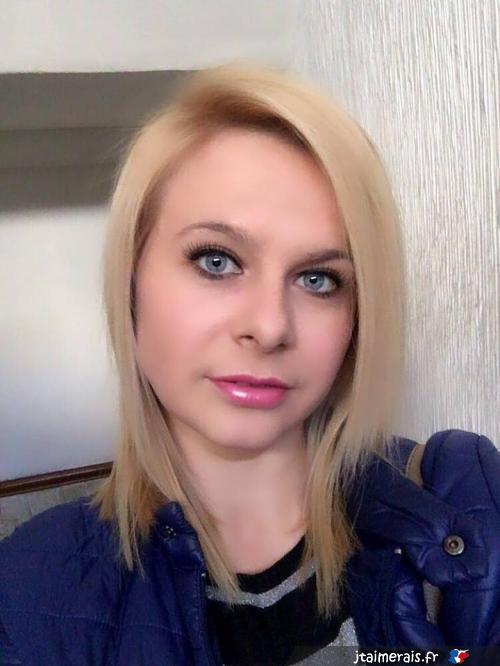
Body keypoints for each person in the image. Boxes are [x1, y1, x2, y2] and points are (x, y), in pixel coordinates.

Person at [0, 61, 498, 666]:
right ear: (131, 286)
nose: (269, 326)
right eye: (216, 261)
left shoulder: (466, 511)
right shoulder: (25, 594)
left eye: (318, 279)